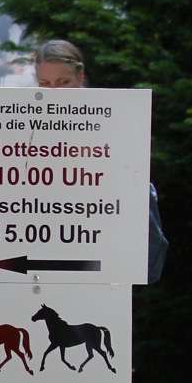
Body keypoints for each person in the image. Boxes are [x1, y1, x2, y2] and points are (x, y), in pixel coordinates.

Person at [33, 39, 168, 283]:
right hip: (50, 241)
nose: (54, 92)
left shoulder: (111, 116)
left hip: (105, 243)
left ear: (80, 76)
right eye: (45, 84)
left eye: (63, 83)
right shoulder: (24, 119)